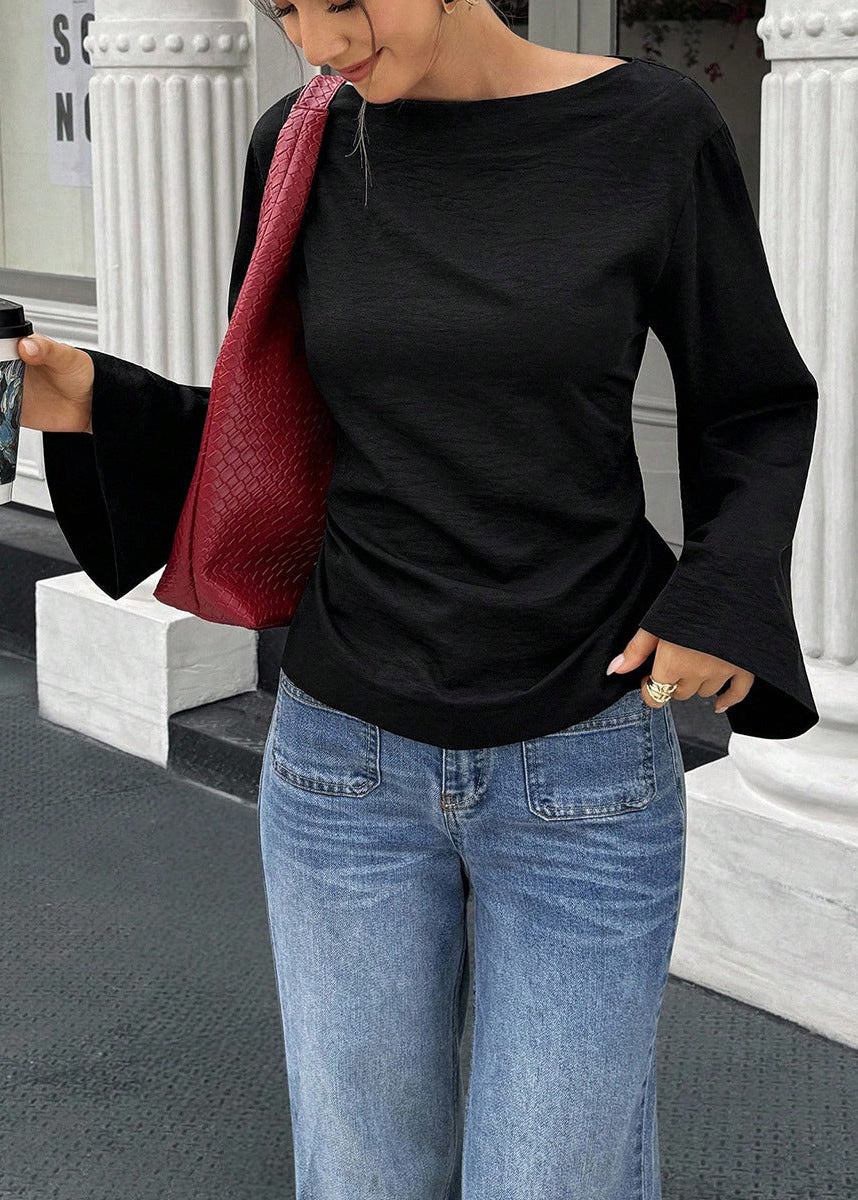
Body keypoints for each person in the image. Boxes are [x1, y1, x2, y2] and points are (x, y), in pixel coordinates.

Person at [18, 1, 819, 1196]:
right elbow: (281, 434)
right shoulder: (300, 141)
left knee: (554, 1178)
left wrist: (719, 595)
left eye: (344, 0)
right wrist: (89, 396)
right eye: (286, 8)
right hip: (342, 767)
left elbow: (751, 402)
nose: (318, 41)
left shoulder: (655, 130)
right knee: (361, 1175)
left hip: (583, 763)